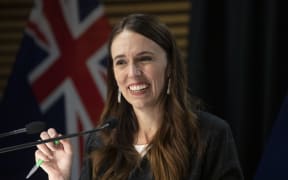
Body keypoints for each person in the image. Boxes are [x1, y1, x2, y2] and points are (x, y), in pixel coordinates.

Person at [34, 13, 244, 180]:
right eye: (121, 62)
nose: (133, 73)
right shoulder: (101, 142)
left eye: (144, 59)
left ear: (169, 66)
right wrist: (60, 178)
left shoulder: (211, 135)